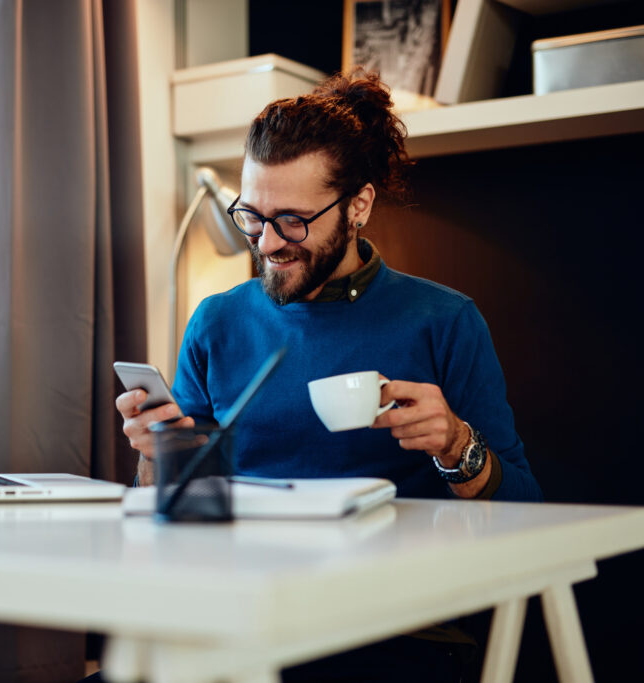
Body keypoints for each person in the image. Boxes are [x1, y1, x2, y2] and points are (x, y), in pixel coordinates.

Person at [109, 70, 541, 682]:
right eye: (252, 216)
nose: (267, 243)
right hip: (243, 615)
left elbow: (530, 515)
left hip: (394, 631)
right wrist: (157, 457)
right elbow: (176, 521)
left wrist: (456, 444)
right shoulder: (217, 322)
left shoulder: (444, 321)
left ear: (358, 205)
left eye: (292, 220)